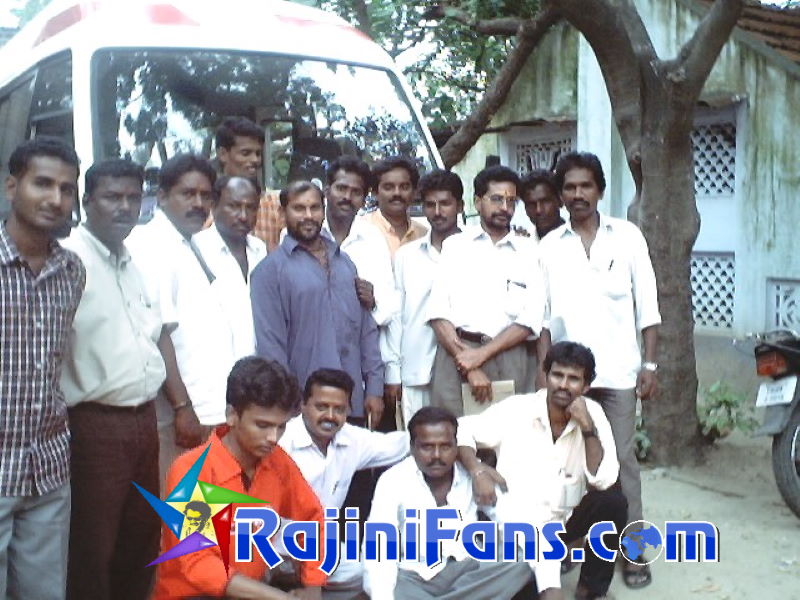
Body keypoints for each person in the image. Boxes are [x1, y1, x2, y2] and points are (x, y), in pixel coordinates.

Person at [61, 159, 187, 600]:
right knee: (94, 546)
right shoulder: (68, 262)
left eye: (134, 198)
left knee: (140, 538)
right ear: (86, 202)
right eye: (113, 197)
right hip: (93, 424)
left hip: (143, 421)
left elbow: (155, 338)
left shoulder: (133, 264)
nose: (125, 207)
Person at [539, 152, 661, 589]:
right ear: (561, 194)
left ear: (600, 190)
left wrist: (649, 363)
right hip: (570, 381)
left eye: (585, 186)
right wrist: (545, 375)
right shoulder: (550, 247)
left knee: (622, 462)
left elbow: (648, 305)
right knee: (571, 461)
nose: (578, 194)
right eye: (569, 187)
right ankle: (575, 544)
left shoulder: (627, 237)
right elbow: (542, 318)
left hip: (620, 374)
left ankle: (632, 550)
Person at [458, 342, 627, 600]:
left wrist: (587, 427)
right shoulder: (518, 408)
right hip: (517, 524)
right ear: (546, 376)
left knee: (612, 502)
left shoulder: (593, 413)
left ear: (586, 386)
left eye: (573, 379)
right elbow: (461, 430)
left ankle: (590, 590)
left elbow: (604, 478)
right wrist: (477, 469)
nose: (563, 385)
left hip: (564, 519)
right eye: (557, 375)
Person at [152, 357, 326, 599]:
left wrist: (313, 585)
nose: (273, 437)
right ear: (232, 415)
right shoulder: (190, 470)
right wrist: (279, 598)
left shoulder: (278, 462)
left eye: (281, 427)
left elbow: (312, 518)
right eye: (263, 425)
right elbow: (199, 565)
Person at [0, 137, 85, 599]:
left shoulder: (71, 272)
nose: (56, 198)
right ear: (12, 186)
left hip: (46, 471)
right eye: (43, 184)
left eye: (67, 189)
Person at [127, 153, 236, 484]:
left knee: (205, 509)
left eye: (205, 196)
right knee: (179, 509)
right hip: (182, 415)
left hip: (207, 409)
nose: (199, 204)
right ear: (162, 197)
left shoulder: (187, 242)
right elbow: (158, 333)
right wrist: (182, 408)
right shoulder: (151, 244)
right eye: (188, 194)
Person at [363, 406, 532, 600]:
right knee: (389, 586)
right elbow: (379, 549)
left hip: (469, 571)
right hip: (415, 577)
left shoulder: (473, 475)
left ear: (456, 446)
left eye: (445, 446)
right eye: (427, 447)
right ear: (412, 447)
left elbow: (512, 521)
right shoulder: (393, 480)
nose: (436, 455)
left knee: (523, 558)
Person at [251, 181, 385, 425]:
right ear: (282, 213)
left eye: (314, 208)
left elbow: (366, 331)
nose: (308, 216)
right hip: (303, 407)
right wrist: (288, 402)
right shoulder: (270, 271)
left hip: (351, 402)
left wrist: (374, 389)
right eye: (299, 208)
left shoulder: (345, 263)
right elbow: (271, 346)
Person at [426, 165, 547, 416]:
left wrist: (481, 355)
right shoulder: (455, 246)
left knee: (511, 433)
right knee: (454, 432)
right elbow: (438, 313)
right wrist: (469, 365)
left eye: (511, 201)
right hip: (457, 354)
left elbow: (532, 318)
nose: (505, 208)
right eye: (497, 199)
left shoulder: (530, 251)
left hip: (511, 357)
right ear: (478, 202)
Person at [279, 368, 409, 596]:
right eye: (321, 407)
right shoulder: (280, 441)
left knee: (363, 573)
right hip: (273, 551)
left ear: (349, 409)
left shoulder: (352, 439)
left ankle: (304, 591)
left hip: (320, 552)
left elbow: (405, 443)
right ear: (303, 405)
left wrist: (462, 438)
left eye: (339, 409)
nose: (330, 416)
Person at [319, 157, 400, 420]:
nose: (347, 197)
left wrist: (372, 300)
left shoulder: (372, 239)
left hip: (357, 361)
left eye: (356, 192)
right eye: (341, 188)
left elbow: (389, 309)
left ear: (364, 199)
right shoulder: (304, 232)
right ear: (327, 190)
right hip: (313, 356)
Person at [385, 170, 463, 428]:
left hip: (464, 371)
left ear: (460, 206)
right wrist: (393, 373)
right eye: (430, 205)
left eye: (445, 203)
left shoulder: (476, 251)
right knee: (417, 443)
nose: (437, 212)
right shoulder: (407, 256)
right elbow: (397, 317)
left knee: (464, 440)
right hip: (416, 372)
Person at [194, 174, 267, 358]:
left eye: (250, 208)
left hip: (257, 366)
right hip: (214, 366)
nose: (243, 216)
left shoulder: (259, 250)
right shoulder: (197, 250)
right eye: (234, 206)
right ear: (214, 206)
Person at [215, 116, 284, 251]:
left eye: (258, 154)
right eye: (246, 153)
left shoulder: (274, 205)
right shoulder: (205, 207)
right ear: (223, 154)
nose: (255, 160)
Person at [361, 157, 427, 259]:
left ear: (414, 192)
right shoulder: (361, 231)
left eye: (404, 187)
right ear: (375, 193)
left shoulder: (424, 235)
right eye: (388, 187)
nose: (397, 193)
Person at [520, 169, 564, 241]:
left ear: (560, 200)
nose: (538, 210)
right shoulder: (523, 241)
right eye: (531, 204)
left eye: (545, 202)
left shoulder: (578, 240)